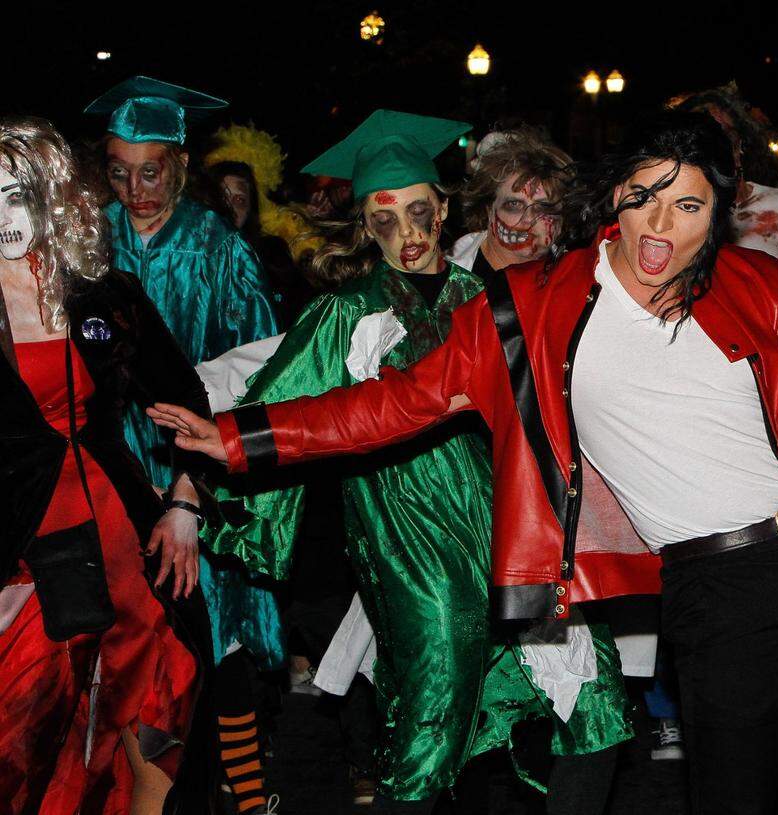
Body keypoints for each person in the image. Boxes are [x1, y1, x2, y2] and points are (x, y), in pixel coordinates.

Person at [151, 111, 778, 815]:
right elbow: (391, 404)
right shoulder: (528, 306)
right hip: (721, 590)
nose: (661, 225)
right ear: (613, 199)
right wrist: (234, 438)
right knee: (736, 799)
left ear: (719, 216)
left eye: (689, 204)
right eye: (644, 196)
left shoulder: (764, 284)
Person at [195, 109, 632, 813]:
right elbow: (269, 398)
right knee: (431, 721)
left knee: (593, 692)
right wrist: (197, 482)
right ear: (365, 226)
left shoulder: (487, 300)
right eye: (385, 219)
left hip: (510, 527)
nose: (408, 234)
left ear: (446, 207)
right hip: (412, 540)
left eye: (420, 212)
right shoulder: (345, 314)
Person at [0, 117, 213, 814]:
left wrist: (185, 502)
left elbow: (186, 397)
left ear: (53, 197)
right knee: (28, 741)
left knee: (155, 715)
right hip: (25, 561)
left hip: (127, 545)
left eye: (17, 193)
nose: (3, 216)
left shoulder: (103, 295)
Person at [85, 76, 285, 813]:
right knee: (126, 649)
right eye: (119, 170)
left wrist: (192, 490)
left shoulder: (221, 252)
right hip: (107, 482)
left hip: (199, 479)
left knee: (216, 641)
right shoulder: (87, 245)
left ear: (177, 162)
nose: (136, 187)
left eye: (152, 169)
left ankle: (252, 791)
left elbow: (260, 378)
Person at [672, 83, 778, 282]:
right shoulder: (673, 210)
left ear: (741, 144)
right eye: (704, 140)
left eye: (726, 137)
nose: (717, 149)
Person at [204, 123, 319, 325]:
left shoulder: (273, 256)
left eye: (239, 200)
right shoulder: (186, 254)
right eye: (222, 195)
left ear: (251, 209)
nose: (229, 207)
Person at [449, 127, 572, 278]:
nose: (529, 219)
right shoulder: (449, 284)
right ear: (488, 209)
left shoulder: (580, 281)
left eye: (543, 207)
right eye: (514, 205)